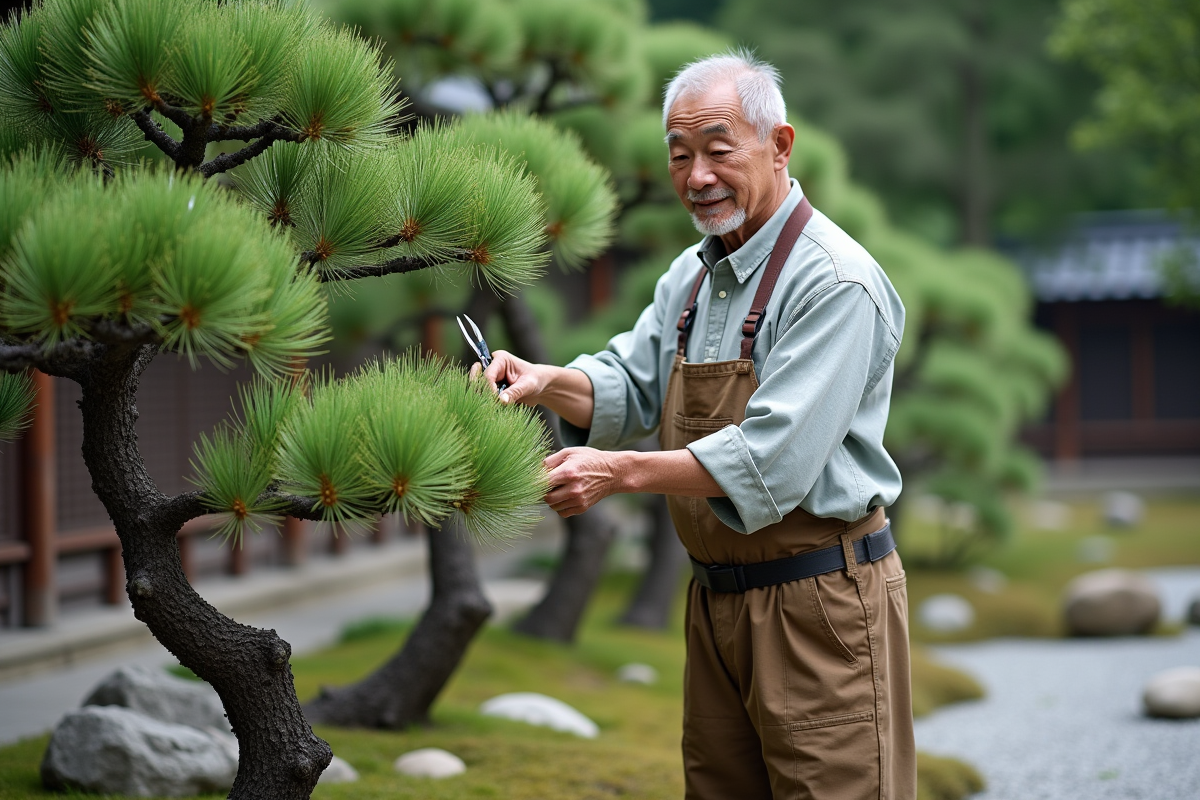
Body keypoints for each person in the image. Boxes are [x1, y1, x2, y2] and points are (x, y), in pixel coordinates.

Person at [479, 51, 916, 800]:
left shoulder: (835, 282)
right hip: (715, 601)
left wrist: (616, 472)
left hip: (821, 606)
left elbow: (770, 462)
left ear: (780, 147)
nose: (697, 176)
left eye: (719, 150)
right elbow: (629, 385)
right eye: (680, 156)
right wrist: (548, 382)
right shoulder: (692, 274)